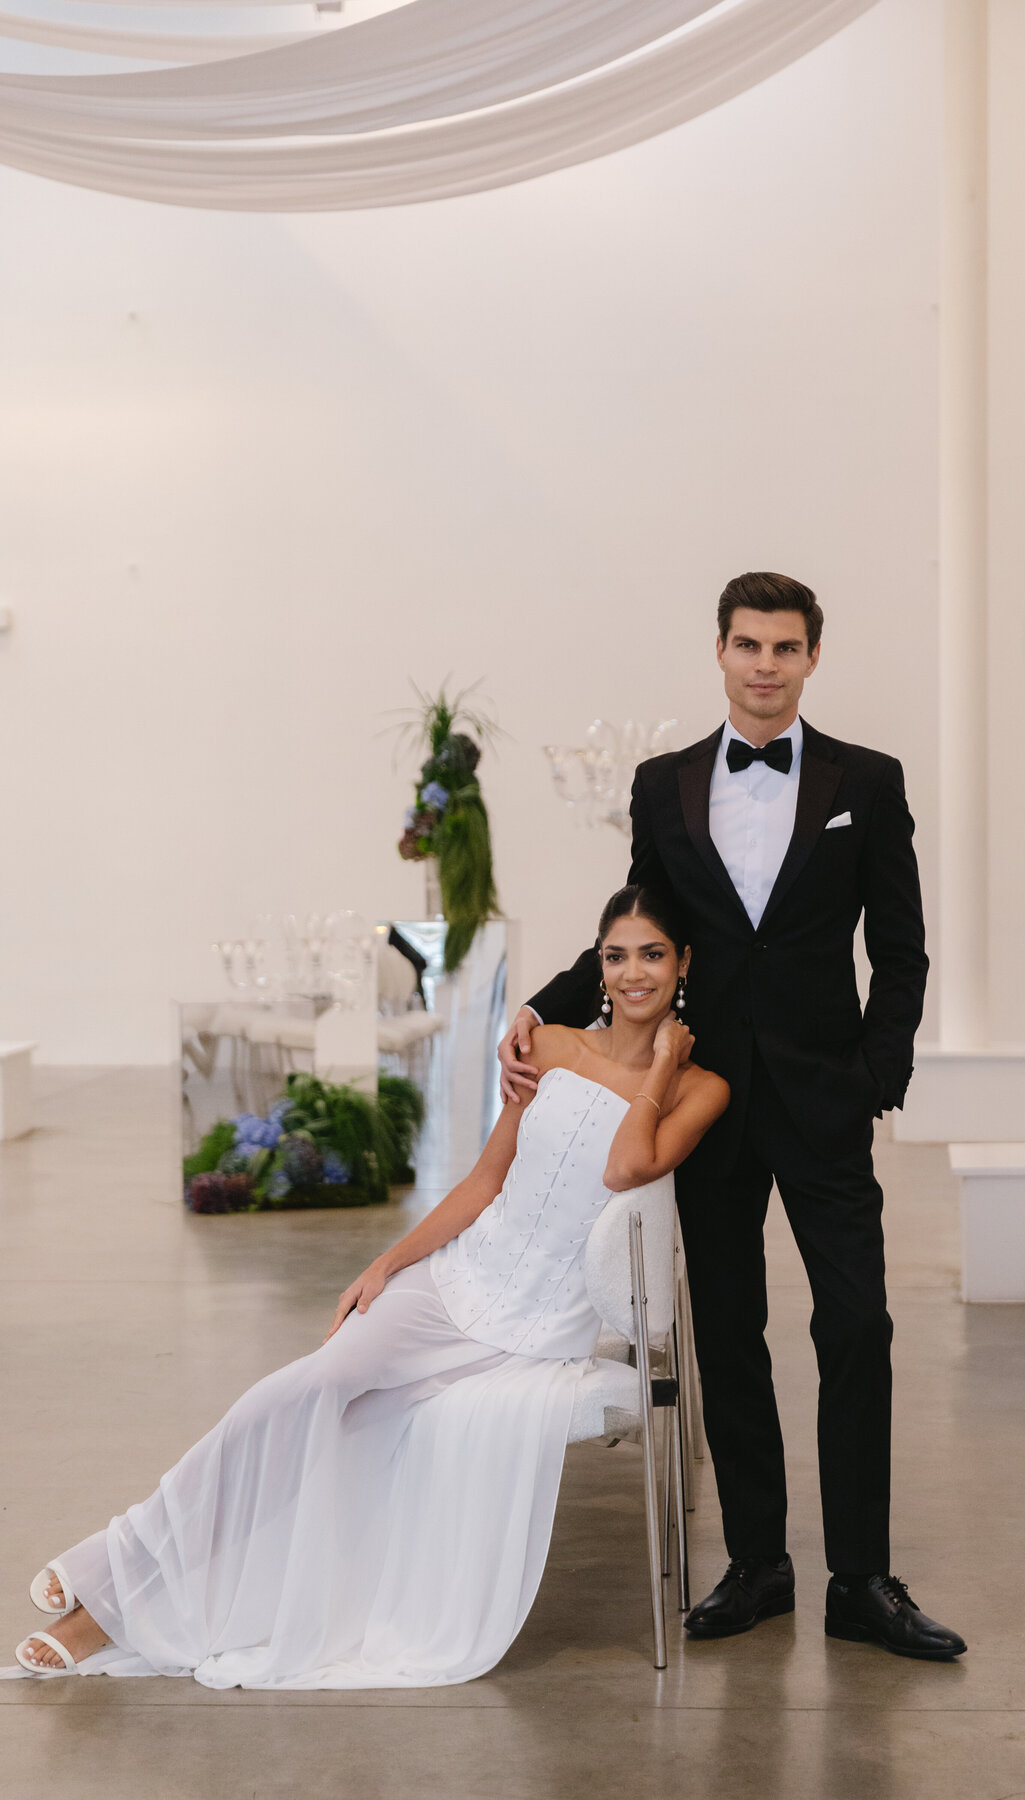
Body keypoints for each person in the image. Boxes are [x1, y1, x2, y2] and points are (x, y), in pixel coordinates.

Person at [13, 887, 727, 1687]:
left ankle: (107, 1606)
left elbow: (628, 1165)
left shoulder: (702, 1089)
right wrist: (388, 1265)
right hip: (453, 1287)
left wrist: (661, 1062)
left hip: (530, 1337)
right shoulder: (551, 1046)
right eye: (616, 955)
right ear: (597, 965)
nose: (633, 973)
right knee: (295, 1398)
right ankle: (113, 1569)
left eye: (652, 954)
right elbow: (485, 1182)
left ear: (682, 963)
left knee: (354, 1443)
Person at [501, 571, 966, 1660]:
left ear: (811, 659)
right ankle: (758, 1563)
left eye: (786, 647)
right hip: (703, 1097)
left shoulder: (869, 780)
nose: (766, 665)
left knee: (858, 1322)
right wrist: (543, 1006)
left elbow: (900, 952)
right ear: (719, 652)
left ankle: (862, 1577)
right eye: (748, 645)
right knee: (729, 1328)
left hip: (824, 1095)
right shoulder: (664, 786)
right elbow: (636, 937)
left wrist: (874, 1074)